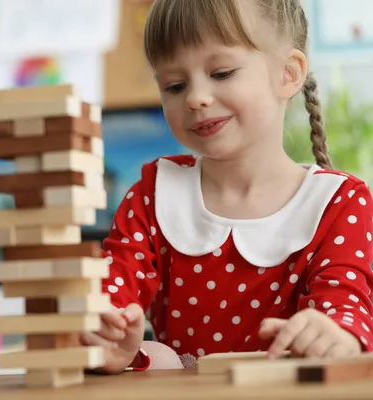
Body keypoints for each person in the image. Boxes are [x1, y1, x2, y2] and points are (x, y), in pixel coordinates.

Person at [83, 0, 373, 373]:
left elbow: (347, 307)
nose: (195, 98)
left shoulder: (340, 202)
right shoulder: (153, 194)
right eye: (174, 85)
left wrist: (335, 335)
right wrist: (105, 334)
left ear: (288, 73)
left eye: (221, 73)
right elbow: (114, 291)